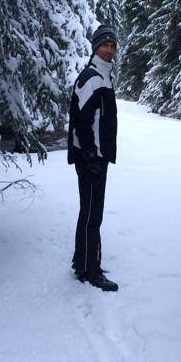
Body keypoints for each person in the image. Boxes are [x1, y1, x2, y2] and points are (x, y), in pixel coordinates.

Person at [67, 25, 119, 291]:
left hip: (96, 156)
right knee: (92, 214)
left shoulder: (102, 75)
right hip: (91, 159)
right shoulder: (92, 78)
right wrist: (89, 155)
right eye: (104, 45)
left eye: (112, 46)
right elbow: (81, 121)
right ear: (95, 47)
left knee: (89, 211)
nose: (109, 50)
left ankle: (82, 260)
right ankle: (90, 270)